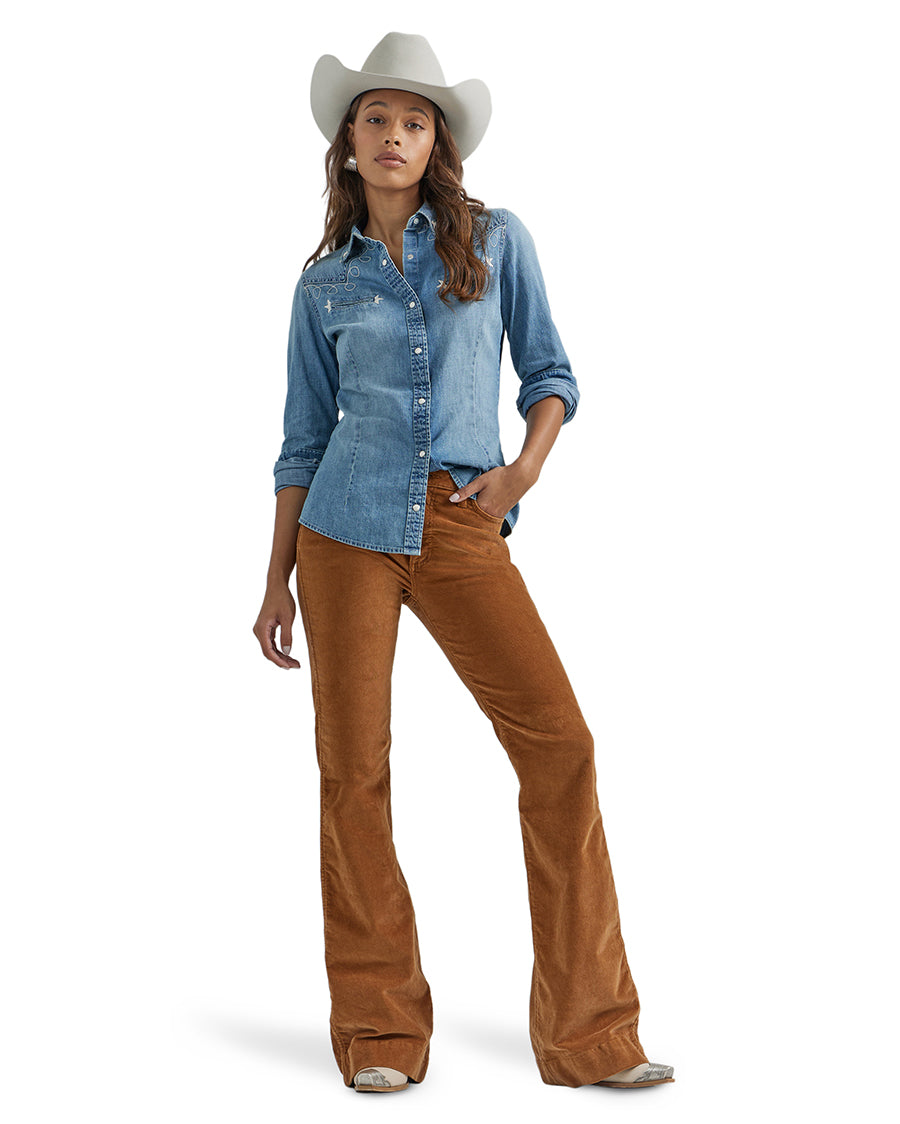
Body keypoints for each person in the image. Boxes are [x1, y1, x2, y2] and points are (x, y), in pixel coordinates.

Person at [253, 31, 675, 1095]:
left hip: (459, 520)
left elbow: (552, 372)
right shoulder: (323, 284)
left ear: (436, 141)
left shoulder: (494, 239)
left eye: (414, 120)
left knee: (560, 746)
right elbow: (302, 440)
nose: (393, 135)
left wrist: (522, 471)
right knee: (354, 774)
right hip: (342, 533)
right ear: (348, 143)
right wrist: (273, 579)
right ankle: (380, 1031)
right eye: (375, 119)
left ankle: (590, 1033)